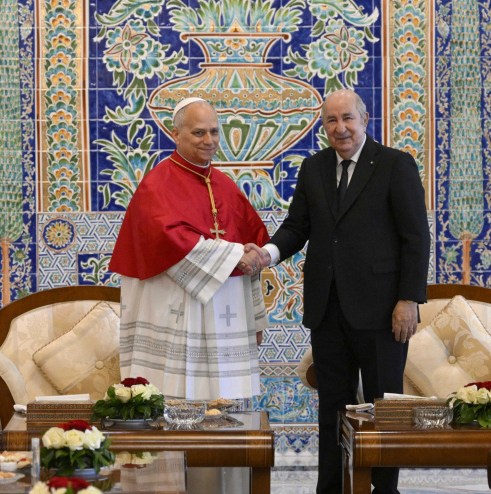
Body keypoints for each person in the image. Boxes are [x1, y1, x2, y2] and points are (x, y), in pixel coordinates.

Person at [248, 89, 429, 494]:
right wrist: (268, 253)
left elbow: (416, 237)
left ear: (364, 119)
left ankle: (385, 490)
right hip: (327, 309)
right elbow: (298, 227)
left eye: (347, 118)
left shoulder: (395, 165)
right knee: (332, 408)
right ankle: (330, 488)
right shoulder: (313, 168)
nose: (340, 128)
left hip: (383, 311)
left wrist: (408, 299)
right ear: (323, 125)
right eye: (331, 121)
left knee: (383, 410)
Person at [109, 97, 269, 400]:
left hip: (225, 314)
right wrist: (237, 254)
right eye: (198, 133)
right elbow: (171, 241)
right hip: (177, 313)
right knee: (176, 404)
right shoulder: (156, 185)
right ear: (176, 134)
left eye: (214, 131)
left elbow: (254, 247)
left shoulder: (225, 186)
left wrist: (254, 317)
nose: (209, 140)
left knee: (226, 409)